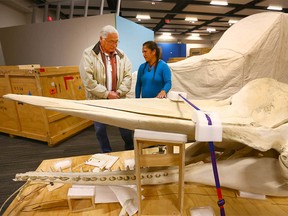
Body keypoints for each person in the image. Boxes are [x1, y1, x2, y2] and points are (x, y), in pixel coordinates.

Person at [79, 25, 134, 153]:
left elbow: (127, 76)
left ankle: (130, 148)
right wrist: (106, 94)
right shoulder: (89, 54)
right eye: (111, 41)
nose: (114, 45)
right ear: (101, 39)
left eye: (116, 41)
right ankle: (106, 152)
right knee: (100, 129)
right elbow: (88, 80)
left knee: (125, 126)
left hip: (119, 98)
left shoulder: (121, 55)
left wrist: (119, 92)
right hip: (98, 100)